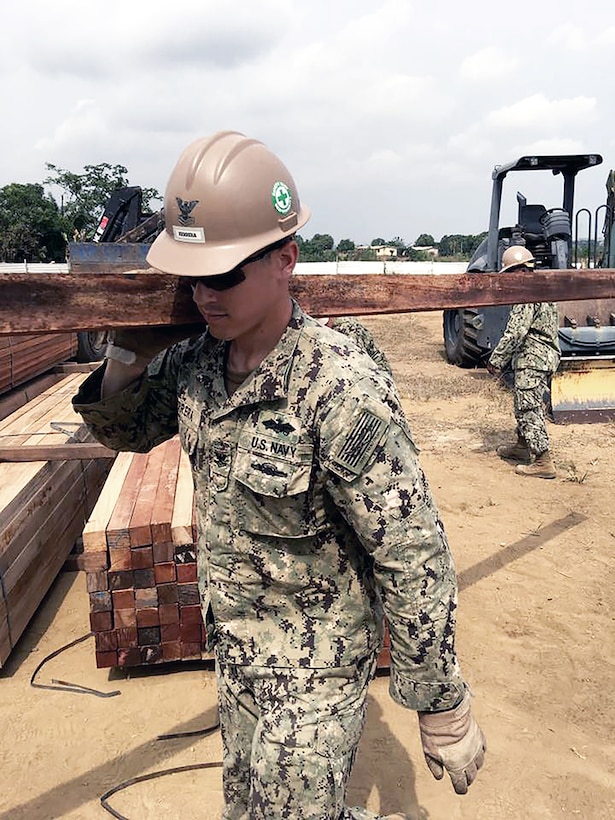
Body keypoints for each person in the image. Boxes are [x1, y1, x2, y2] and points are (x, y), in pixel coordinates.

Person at [72, 130, 486, 819]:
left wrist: (440, 701)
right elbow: (127, 431)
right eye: (191, 275)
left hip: (315, 669)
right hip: (234, 650)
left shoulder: (338, 388)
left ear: (284, 260)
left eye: (224, 273)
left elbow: (411, 554)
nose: (204, 294)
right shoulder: (199, 363)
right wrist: (126, 354)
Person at [487, 245, 560, 479]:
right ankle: (522, 446)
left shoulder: (524, 292)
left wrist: (496, 359)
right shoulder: (541, 286)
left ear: (518, 271)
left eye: (509, 274)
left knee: (528, 406)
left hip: (532, 357)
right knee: (525, 401)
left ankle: (542, 460)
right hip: (544, 356)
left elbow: (516, 332)